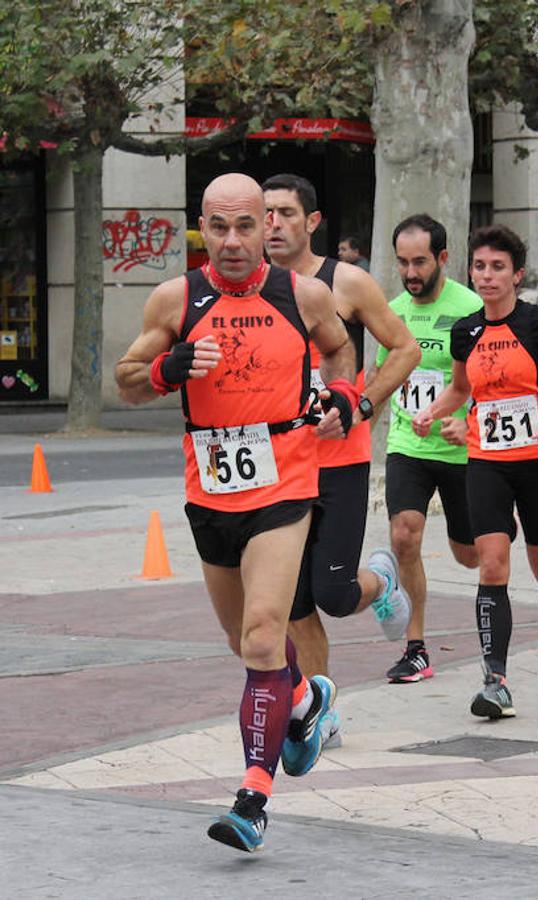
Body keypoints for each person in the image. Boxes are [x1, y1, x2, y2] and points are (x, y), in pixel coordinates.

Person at [114, 173, 358, 852]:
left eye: (244, 225)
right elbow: (127, 380)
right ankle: (306, 702)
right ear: (201, 227)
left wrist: (340, 394)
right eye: (216, 227)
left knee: (260, 637)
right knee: (246, 646)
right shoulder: (175, 299)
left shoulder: (302, 295)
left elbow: (340, 346)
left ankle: (253, 797)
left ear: (268, 227)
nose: (230, 241)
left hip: (285, 484)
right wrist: (171, 368)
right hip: (210, 491)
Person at [411, 224, 538, 719]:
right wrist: (433, 411)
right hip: (487, 461)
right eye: (479, 267)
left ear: (517, 274)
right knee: (492, 562)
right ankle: (496, 681)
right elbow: (459, 389)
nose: (487, 276)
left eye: (497, 268)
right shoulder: (465, 330)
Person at [262, 174, 421, 747]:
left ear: (311, 221)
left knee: (330, 593)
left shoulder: (345, 282)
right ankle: (319, 712)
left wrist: (365, 404)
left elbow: (406, 348)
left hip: (338, 459)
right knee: (295, 603)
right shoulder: (247, 290)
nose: (272, 223)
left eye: (284, 212)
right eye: (265, 213)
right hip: (277, 466)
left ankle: (379, 580)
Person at [379, 214, 483, 684]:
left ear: (443, 258)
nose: (411, 272)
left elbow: (492, 381)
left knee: (470, 555)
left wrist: (468, 423)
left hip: (460, 448)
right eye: (402, 262)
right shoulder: (392, 309)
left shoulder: (472, 307)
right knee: (404, 535)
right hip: (408, 441)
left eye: (420, 261)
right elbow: (384, 376)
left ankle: (536, 527)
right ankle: (416, 647)